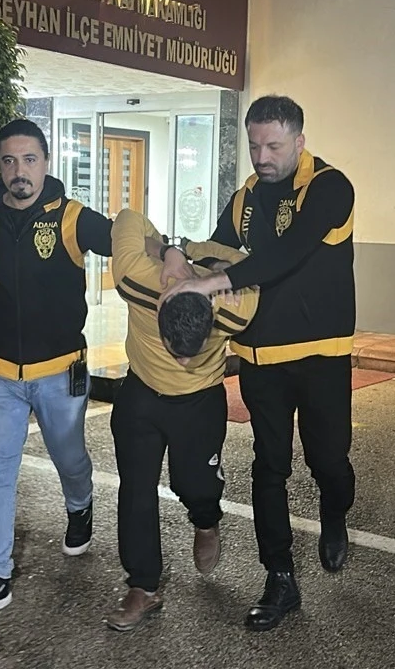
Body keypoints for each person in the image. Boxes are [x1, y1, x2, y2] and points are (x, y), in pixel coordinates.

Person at [159, 95, 356, 632]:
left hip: (322, 355)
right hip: (260, 356)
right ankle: (279, 578)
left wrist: (210, 283)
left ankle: (334, 510)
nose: (262, 157)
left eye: (273, 145)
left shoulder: (330, 187)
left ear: (299, 140)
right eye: (253, 146)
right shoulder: (246, 196)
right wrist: (178, 253)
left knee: (330, 463)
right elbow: (218, 248)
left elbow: (285, 255)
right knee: (269, 467)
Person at [0, 118, 113, 626]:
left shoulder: (72, 218)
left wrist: (167, 254)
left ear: (46, 163)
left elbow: (123, 242)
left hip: (60, 369)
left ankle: (80, 503)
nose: (20, 171)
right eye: (9, 161)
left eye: (29, 160)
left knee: (69, 457)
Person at [101, 208, 259, 632]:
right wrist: (168, 249)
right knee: (135, 489)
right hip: (141, 394)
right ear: (159, 307)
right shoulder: (134, 278)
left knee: (195, 486)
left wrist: (193, 254)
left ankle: (206, 521)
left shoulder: (237, 307)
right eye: (177, 350)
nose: (184, 360)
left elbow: (250, 263)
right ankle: (143, 586)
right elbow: (128, 218)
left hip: (199, 401)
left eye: (193, 349)